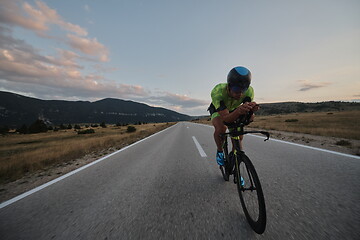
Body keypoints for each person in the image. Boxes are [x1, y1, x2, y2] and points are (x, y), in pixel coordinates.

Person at [208, 66, 259, 166]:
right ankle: (219, 151)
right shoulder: (218, 91)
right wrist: (239, 111)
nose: (240, 94)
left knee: (238, 135)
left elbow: (248, 115)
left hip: (234, 109)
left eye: (243, 89)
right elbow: (226, 119)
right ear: (229, 86)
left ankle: (235, 160)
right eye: (236, 89)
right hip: (219, 110)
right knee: (221, 128)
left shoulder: (249, 91)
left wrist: (251, 111)